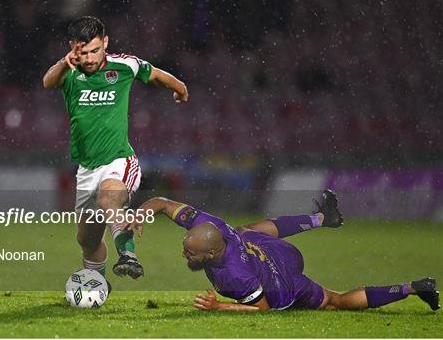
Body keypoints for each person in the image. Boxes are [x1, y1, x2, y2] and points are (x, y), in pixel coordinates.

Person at [43, 16, 188, 279]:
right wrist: (64, 63)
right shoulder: (69, 72)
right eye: (83, 52)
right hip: (86, 169)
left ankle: (129, 255)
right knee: (87, 240)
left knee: (108, 199)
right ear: (73, 47)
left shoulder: (124, 65)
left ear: (105, 43)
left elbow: (154, 74)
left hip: (119, 161)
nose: (88, 58)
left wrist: (180, 88)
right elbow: (47, 82)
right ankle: (95, 282)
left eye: (95, 51)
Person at [137, 190, 440, 311]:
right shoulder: (210, 225)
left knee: (335, 301)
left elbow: (262, 309)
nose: (183, 256)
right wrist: (139, 216)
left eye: (190, 255)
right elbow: (162, 203)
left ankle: (411, 289)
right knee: (243, 231)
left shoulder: (232, 276)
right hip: (274, 251)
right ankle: (322, 219)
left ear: (211, 255)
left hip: (281, 285)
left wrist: (219, 307)